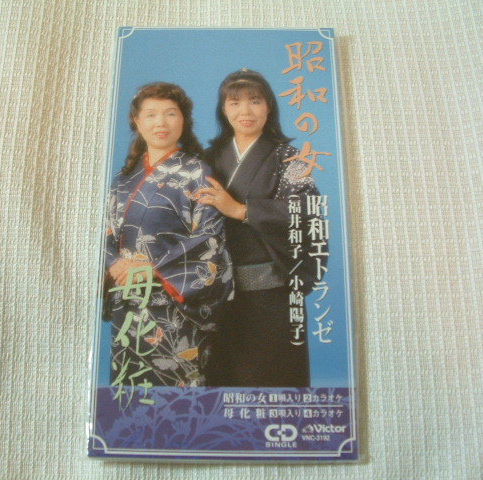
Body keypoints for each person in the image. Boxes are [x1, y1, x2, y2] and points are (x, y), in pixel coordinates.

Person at [197, 69, 323, 387]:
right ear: (223, 110)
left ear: (269, 107)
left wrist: (241, 210)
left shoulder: (291, 159)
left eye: (254, 101)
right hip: (216, 296)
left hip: (271, 295)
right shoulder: (208, 159)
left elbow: (305, 212)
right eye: (235, 102)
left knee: (271, 383)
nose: (245, 111)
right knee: (219, 387)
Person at [103, 82, 233, 388]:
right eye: (151, 115)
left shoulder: (198, 172)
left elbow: (210, 237)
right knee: (129, 389)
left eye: (170, 113)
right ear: (137, 122)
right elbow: (105, 234)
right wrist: (113, 264)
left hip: (172, 304)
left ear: (183, 120)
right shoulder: (123, 179)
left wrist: (153, 269)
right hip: (127, 298)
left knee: (177, 390)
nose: (160, 123)